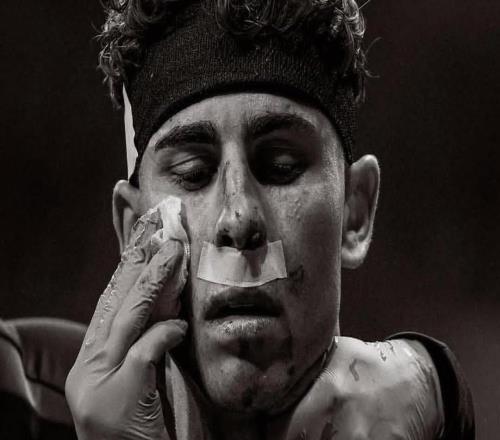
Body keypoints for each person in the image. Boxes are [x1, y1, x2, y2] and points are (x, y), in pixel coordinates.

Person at [0, 0, 474, 439]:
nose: (239, 216)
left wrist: (440, 389)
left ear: (355, 211)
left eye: (281, 167)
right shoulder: (20, 398)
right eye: (194, 173)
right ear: (133, 232)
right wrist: (440, 385)